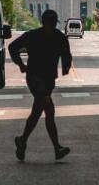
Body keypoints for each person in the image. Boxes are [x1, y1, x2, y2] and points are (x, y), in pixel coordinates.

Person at [8, 9, 73, 162]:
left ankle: (22, 140)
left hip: (49, 80)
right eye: (48, 23)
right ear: (44, 23)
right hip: (35, 78)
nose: (50, 26)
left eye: (52, 24)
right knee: (49, 110)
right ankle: (57, 148)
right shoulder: (33, 35)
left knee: (37, 112)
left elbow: (66, 53)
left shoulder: (59, 37)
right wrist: (21, 65)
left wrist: (66, 66)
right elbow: (12, 47)